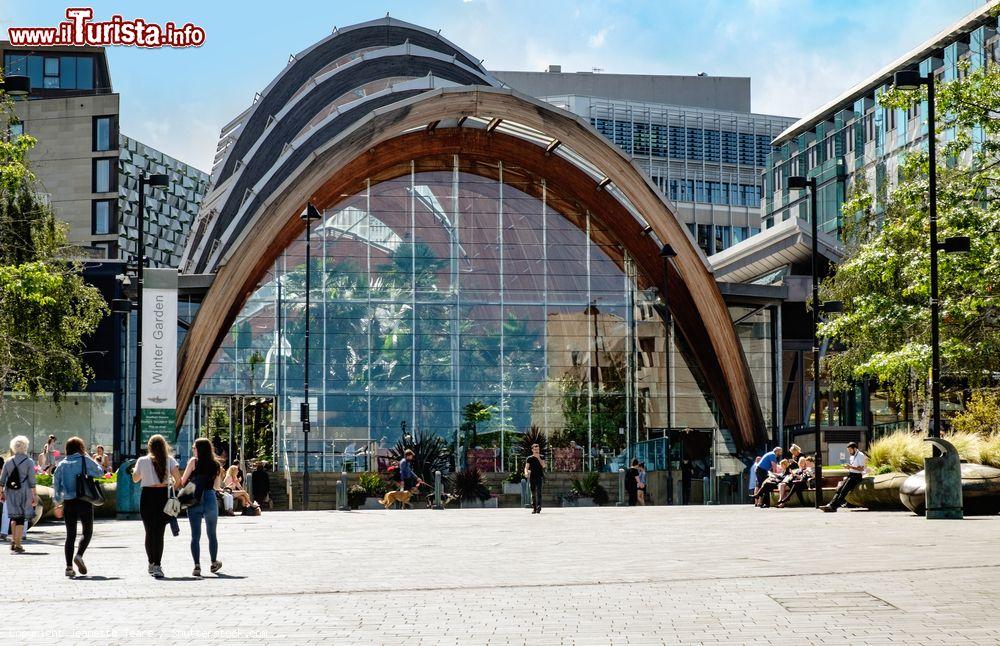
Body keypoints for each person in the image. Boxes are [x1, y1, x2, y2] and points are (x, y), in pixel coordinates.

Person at [132, 434, 183, 578]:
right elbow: (178, 480)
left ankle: (151, 563)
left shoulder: (142, 460)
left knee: (149, 532)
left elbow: (135, 479)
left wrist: (137, 472)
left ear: (149, 447)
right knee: (159, 533)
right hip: (163, 496)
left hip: (147, 496)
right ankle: (158, 565)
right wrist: (172, 487)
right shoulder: (170, 460)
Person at [52, 437, 104, 577]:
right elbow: (100, 472)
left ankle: (69, 568)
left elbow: (56, 487)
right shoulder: (84, 460)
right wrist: (86, 456)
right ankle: (79, 555)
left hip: (69, 503)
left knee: (70, 535)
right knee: (87, 532)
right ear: (81, 448)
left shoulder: (61, 464)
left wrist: (57, 503)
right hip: (84, 501)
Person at [180, 438, 224, 577]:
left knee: (195, 535)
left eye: (194, 447)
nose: (193, 449)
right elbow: (217, 486)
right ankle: (213, 562)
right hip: (210, 498)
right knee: (212, 533)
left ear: (198, 449)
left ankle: (197, 566)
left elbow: (182, 481)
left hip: (194, 498)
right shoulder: (216, 464)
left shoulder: (193, 462)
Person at [0, 436, 36, 554]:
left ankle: (14, 541)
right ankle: (18, 544)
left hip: (10, 491)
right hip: (24, 491)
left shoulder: (8, 461)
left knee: (14, 516)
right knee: (21, 517)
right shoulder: (29, 462)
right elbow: (32, 481)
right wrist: (34, 495)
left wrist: (1, 492)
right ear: (25, 446)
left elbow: (2, 479)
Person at [821, 442, 867, 512]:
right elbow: (854, 467)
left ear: (855, 448)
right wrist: (848, 467)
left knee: (843, 491)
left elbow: (861, 468)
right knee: (839, 489)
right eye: (848, 450)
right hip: (851, 474)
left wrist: (850, 467)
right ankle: (830, 504)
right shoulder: (852, 455)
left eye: (850, 450)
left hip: (856, 477)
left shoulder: (860, 455)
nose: (849, 452)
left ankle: (833, 507)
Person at [524, 443, 545, 513]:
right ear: (532, 450)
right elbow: (526, 467)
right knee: (533, 493)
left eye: (538, 449)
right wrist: (526, 472)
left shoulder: (542, 457)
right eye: (535, 449)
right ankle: (534, 508)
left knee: (539, 492)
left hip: (539, 477)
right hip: (532, 477)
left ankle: (539, 507)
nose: (537, 451)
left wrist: (538, 457)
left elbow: (543, 466)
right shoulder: (529, 458)